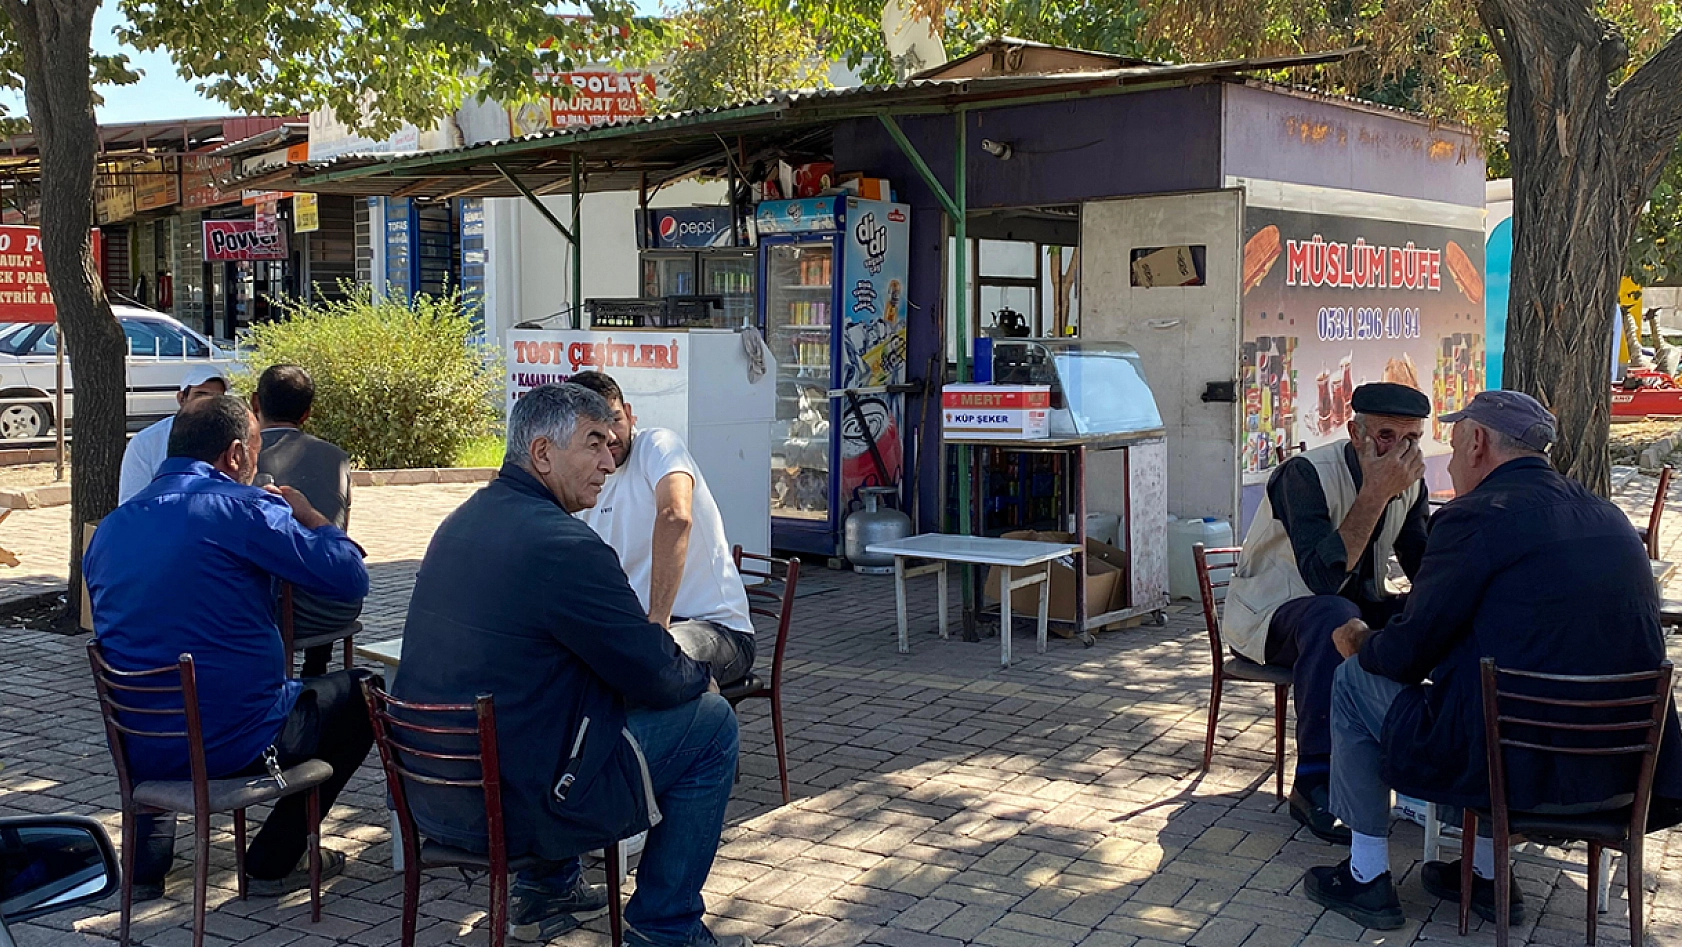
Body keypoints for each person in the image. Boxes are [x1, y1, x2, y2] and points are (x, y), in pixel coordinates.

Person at [1303, 390, 1682, 930]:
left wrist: (1364, 641)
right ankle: (1483, 875)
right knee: (1476, 693)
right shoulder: (1609, 515)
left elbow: (1408, 655)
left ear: (1478, 443)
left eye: (1453, 447)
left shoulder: (1475, 517)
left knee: (1352, 679)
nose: (1450, 462)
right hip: (1620, 769)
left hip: (1516, 769)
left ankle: (1366, 877)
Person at [395, 383, 747, 947]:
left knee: (562, 698)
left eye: (610, 444)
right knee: (711, 724)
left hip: (431, 793)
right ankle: (665, 928)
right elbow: (653, 671)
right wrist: (700, 675)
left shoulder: (459, 522)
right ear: (542, 454)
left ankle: (547, 894)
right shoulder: (564, 545)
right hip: (517, 806)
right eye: (594, 444)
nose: (609, 462)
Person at [86, 395, 373, 901]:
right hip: (238, 741)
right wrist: (312, 519)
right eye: (256, 454)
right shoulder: (242, 509)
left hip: (140, 740)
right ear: (236, 454)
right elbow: (348, 580)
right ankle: (273, 861)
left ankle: (147, 869)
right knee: (365, 693)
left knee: (165, 673)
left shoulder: (110, 529)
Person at [1224, 382, 1431, 842]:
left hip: (1351, 609)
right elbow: (1322, 577)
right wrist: (1374, 495)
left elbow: (1424, 565)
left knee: (1424, 619)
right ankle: (1313, 781)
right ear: (1355, 434)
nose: (1399, 451)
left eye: (1411, 440)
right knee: (1333, 613)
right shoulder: (1304, 475)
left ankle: (1425, 770)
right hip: (1269, 616)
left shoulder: (1410, 484)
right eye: (1386, 437)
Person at [569, 371, 757, 687]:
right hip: (638, 631)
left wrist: (657, 621)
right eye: (596, 432)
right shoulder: (583, 486)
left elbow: (675, 515)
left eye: (615, 420)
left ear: (629, 413)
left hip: (716, 629)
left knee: (648, 664)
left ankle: (705, 725)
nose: (611, 437)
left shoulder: (658, 445)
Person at [252, 363, 362, 677]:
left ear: (255, 402)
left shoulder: (242, 459)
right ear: (307, 413)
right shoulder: (336, 458)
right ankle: (317, 667)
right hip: (336, 606)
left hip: (266, 611)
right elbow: (339, 531)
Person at [118, 366, 229, 503]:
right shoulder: (146, 442)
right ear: (181, 398)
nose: (208, 404)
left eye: (217, 398)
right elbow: (131, 504)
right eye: (201, 395)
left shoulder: (231, 439)